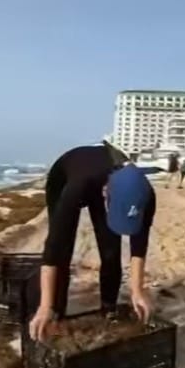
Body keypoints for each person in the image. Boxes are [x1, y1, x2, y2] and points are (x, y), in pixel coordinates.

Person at [29, 143, 156, 342]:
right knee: (62, 249)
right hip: (64, 179)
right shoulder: (77, 186)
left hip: (108, 185)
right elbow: (52, 250)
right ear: (106, 193)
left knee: (110, 250)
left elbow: (138, 247)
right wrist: (44, 306)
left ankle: (108, 308)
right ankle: (55, 311)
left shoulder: (145, 194)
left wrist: (137, 291)